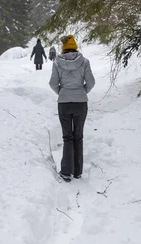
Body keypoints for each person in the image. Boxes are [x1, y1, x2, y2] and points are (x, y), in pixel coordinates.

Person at [48, 35, 95, 182]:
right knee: (78, 136)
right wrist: (81, 92)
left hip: (64, 103)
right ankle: (77, 171)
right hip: (81, 103)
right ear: (75, 47)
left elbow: (52, 83)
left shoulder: (57, 63)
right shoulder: (84, 62)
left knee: (67, 137)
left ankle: (66, 172)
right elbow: (91, 82)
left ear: (63, 48)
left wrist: (62, 92)